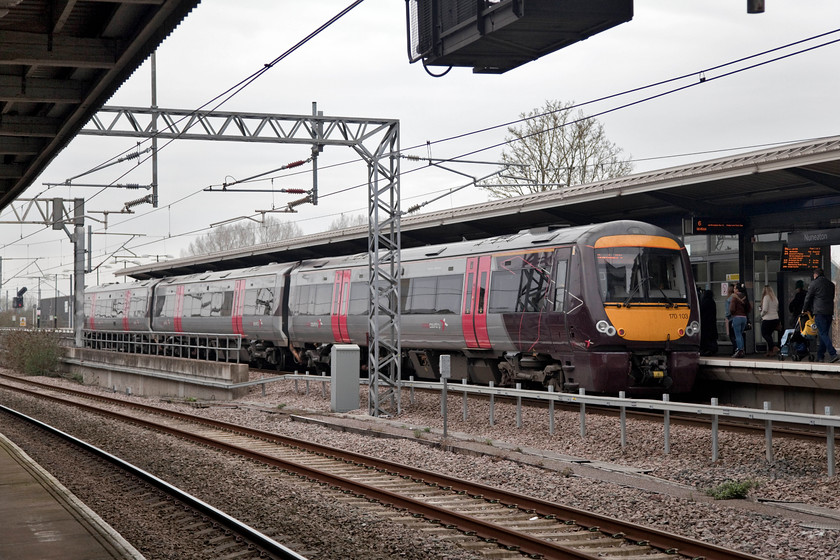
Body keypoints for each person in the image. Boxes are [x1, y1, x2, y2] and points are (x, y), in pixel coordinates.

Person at [802, 268, 838, 363]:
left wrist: (804, 309)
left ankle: (833, 353)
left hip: (819, 312)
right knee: (824, 333)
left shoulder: (814, 283)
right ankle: (820, 356)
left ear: (815, 275)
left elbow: (808, 297)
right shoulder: (831, 284)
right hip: (829, 312)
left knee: (822, 333)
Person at [729, 283, 751, 358]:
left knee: (737, 334)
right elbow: (749, 308)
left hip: (737, 317)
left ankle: (740, 350)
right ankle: (742, 349)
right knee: (740, 334)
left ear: (737, 289)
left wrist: (733, 313)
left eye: (735, 288)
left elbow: (732, 309)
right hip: (744, 318)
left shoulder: (734, 297)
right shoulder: (745, 297)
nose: (733, 290)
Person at [759, 285, 780, 357]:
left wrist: (761, 314)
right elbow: (777, 309)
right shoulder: (775, 298)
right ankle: (770, 351)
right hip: (775, 319)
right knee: (769, 335)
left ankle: (774, 347)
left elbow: (765, 309)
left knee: (764, 334)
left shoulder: (766, 297)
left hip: (767, 319)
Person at [699, 288, 719, 356]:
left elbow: (701, 311)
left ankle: (706, 349)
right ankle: (713, 349)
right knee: (712, 337)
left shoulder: (704, 302)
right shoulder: (712, 302)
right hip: (712, 322)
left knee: (706, 337)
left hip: (705, 322)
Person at [724, 283, 737, 350]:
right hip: (737, 317)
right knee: (737, 335)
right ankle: (738, 348)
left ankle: (735, 348)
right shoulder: (736, 297)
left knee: (732, 335)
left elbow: (728, 310)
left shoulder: (729, 299)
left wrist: (727, 316)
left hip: (731, 318)